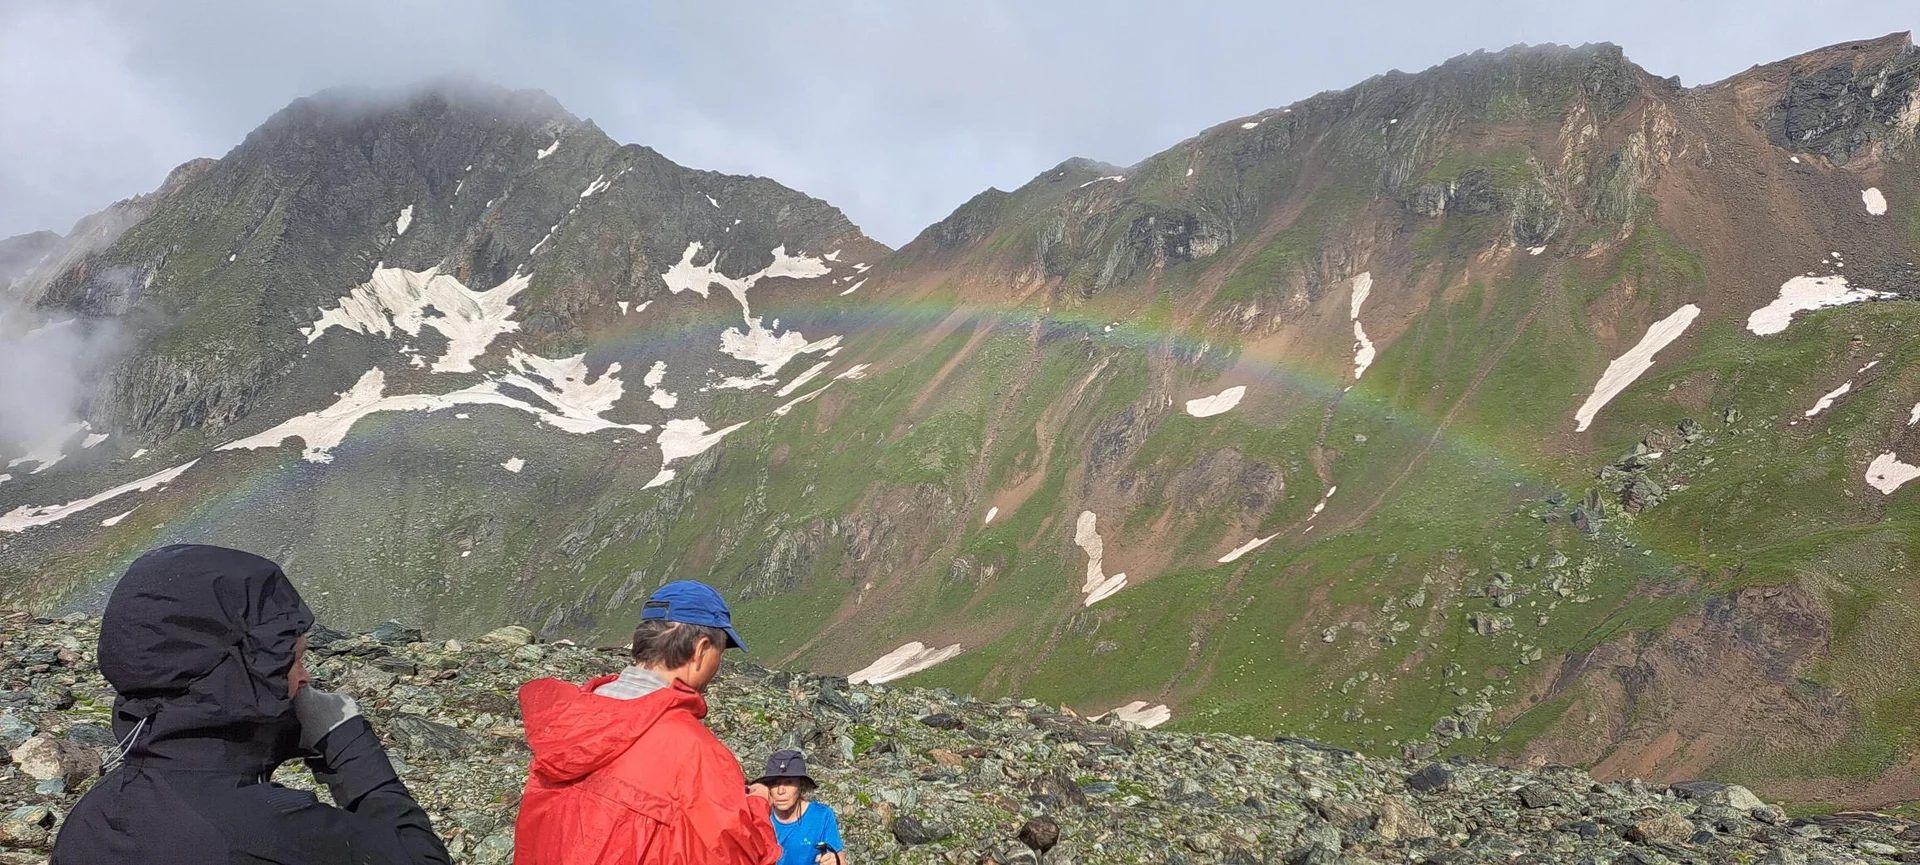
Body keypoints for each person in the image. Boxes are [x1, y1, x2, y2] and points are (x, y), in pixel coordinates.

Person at [52, 544, 450, 865]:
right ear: (245, 674)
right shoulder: (271, 830)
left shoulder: (93, 813)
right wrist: (344, 741)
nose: (305, 678)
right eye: (293, 661)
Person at [514, 580, 780, 865]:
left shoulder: (567, 721)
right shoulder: (695, 751)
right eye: (721, 652)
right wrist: (757, 805)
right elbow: (739, 854)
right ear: (700, 650)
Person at [755, 750, 845, 865]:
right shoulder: (758, 818)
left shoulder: (822, 816)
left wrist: (835, 860)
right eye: (775, 783)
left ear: (801, 785)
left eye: (789, 782)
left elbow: (838, 858)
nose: (780, 791)